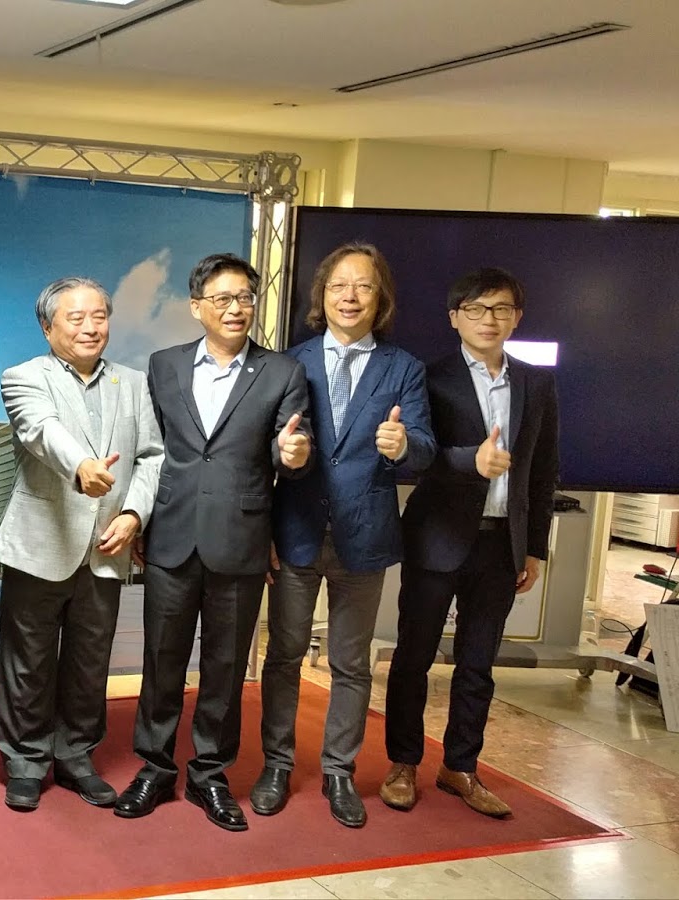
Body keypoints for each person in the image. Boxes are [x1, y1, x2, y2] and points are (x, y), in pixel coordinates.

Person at [120, 253, 312, 832]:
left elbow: (290, 446)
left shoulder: (281, 372)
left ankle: (209, 774)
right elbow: (150, 450)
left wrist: (292, 455)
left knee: (225, 668)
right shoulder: (164, 365)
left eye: (245, 298)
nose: (236, 308)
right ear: (196, 306)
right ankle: (154, 768)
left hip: (240, 538)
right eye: (223, 299)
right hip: (171, 535)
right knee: (161, 661)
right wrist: (140, 519)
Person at [258, 243, 437, 828]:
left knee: (351, 663)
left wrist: (403, 447)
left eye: (363, 286)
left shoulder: (404, 368)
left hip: (366, 535)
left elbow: (425, 447)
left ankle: (339, 771)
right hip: (297, 531)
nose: (350, 296)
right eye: (339, 285)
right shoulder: (291, 362)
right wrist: (285, 454)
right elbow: (268, 445)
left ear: (380, 298)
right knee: (283, 656)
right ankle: (277, 764)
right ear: (323, 295)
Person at [380, 267, 559, 820]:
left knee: (478, 664)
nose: (489, 319)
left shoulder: (536, 384)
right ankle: (403, 763)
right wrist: (471, 462)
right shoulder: (429, 378)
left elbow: (543, 470)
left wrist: (534, 547)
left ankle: (460, 767)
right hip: (437, 538)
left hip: (500, 546)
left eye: (501, 308)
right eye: (477, 309)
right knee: (413, 657)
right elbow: (420, 455)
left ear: (517, 317)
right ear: (455, 317)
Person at [0, 276, 164, 813]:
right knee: (28, 663)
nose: (91, 327)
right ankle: (25, 761)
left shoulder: (133, 382)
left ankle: (76, 757)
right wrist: (82, 466)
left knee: (90, 662)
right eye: (76, 317)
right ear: (48, 328)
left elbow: (152, 455)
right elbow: (40, 430)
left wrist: (133, 514)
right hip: (41, 543)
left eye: (99, 316)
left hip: (108, 546)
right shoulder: (24, 377)